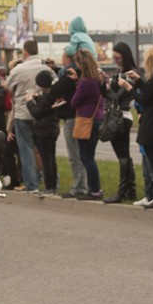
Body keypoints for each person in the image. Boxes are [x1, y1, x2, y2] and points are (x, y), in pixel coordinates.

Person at [118, 46, 153, 209]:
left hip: (151, 124)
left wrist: (129, 87)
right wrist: (139, 81)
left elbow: (145, 99)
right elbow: (149, 92)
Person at [5, 39, 53, 193]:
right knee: (44, 151)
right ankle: (51, 182)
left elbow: (7, 86)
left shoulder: (19, 69)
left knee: (25, 150)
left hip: (23, 112)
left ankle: (31, 184)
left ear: (25, 52)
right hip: (41, 113)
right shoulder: (46, 68)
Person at [103, 42, 138, 203]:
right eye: (114, 57)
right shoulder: (120, 71)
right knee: (124, 157)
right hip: (119, 116)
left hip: (122, 117)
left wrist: (107, 88)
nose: (115, 60)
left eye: (118, 57)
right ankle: (130, 190)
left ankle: (122, 191)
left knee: (123, 156)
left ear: (125, 55)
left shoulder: (131, 74)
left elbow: (118, 97)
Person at [68, 49, 105, 200]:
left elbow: (74, 102)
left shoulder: (85, 83)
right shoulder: (98, 80)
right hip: (97, 119)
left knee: (86, 157)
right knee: (90, 156)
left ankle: (95, 190)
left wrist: (77, 85)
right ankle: (95, 189)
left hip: (85, 121)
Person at [51, 50, 87, 198]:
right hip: (76, 117)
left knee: (75, 155)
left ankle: (79, 187)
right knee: (79, 154)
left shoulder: (70, 75)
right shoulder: (80, 76)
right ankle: (81, 185)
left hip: (72, 118)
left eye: (63, 56)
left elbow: (56, 89)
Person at [26, 70, 60, 195]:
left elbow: (37, 112)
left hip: (44, 130)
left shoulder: (47, 96)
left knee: (46, 160)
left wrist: (29, 101)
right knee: (51, 158)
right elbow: (44, 106)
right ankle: (53, 186)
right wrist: (37, 98)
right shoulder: (51, 95)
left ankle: (49, 187)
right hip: (52, 129)